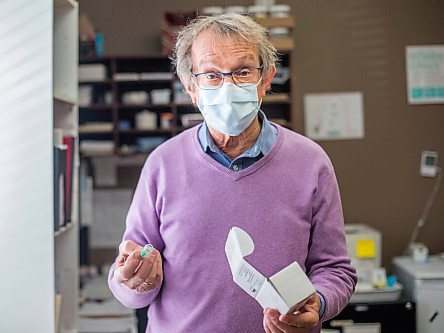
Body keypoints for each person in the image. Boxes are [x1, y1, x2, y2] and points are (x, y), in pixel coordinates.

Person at [108, 13, 357, 333]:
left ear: (266, 79)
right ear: (191, 87)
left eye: (242, 72)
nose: (228, 86)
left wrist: (318, 304)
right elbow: (128, 274)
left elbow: (335, 270)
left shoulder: (311, 163)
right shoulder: (163, 165)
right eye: (211, 75)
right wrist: (133, 282)